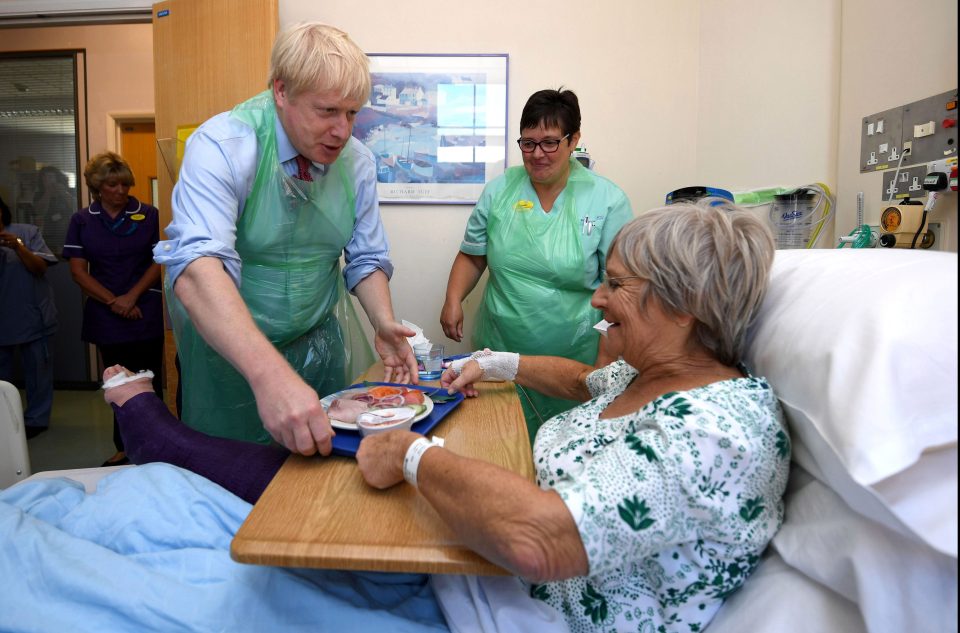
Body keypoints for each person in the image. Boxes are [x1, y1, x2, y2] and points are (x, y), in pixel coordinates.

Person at [99, 200, 789, 632]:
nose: (598, 300)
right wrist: (494, 364)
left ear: (681, 306)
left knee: (342, 478)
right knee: (333, 470)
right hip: (500, 563)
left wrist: (411, 456)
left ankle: (154, 433)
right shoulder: (656, 375)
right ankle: (165, 436)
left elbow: (538, 539)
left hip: (528, 601)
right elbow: (584, 379)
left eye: (615, 285)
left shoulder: (716, 432)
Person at [153, 22, 417, 456]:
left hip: (317, 343)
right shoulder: (224, 145)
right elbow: (199, 267)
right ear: (281, 90)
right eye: (328, 111)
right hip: (232, 354)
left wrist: (382, 321)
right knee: (232, 478)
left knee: (319, 477)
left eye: (352, 113)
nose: (343, 131)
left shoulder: (357, 163)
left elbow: (366, 257)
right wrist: (270, 376)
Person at [440, 88, 632, 444]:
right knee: (499, 445)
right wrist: (453, 299)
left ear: (573, 139)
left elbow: (622, 287)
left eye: (549, 143)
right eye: (528, 144)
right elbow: (473, 254)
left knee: (564, 451)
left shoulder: (607, 200)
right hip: (498, 346)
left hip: (575, 358)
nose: (537, 154)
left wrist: (607, 358)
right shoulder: (500, 192)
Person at [63, 151, 164, 466]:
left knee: (149, 378)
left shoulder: (148, 215)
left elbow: (158, 260)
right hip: (106, 313)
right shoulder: (82, 220)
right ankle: (124, 446)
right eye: (112, 185)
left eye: (125, 184)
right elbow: (78, 271)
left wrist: (131, 297)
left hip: (144, 306)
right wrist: (114, 301)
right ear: (97, 186)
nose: (121, 191)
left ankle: (157, 444)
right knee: (118, 381)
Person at [0, 195, 58, 438]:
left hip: (31, 314)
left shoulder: (26, 232)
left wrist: (18, 246)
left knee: (38, 370)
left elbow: (40, 267)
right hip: (3, 318)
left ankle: (36, 419)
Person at [32, 164, 75, 255]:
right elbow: (38, 211)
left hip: (66, 234)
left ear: (57, 178)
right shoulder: (39, 195)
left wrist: (63, 192)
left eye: (50, 177)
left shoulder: (67, 191)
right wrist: (47, 192)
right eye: (44, 177)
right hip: (48, 236)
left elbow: (76, 206)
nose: (47, 180)